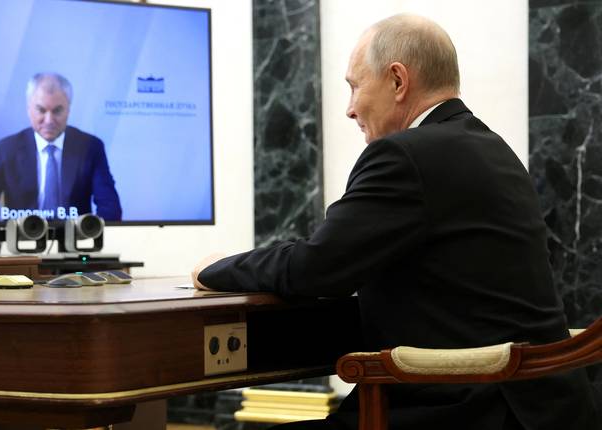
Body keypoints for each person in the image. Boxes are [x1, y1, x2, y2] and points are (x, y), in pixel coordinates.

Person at [192, 14, 599, 430]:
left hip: (467, 409)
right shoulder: (493, 149)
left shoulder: (404, 156)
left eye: (355, 86)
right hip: (544, 409)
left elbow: (315, 267)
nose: (349, 109)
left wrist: (214, 268)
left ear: (398, 81)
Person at [0, 73, 122, 223]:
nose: (49, 120)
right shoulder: (6, 150)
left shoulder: (90, 147)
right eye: (41, 110)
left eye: (57, 111)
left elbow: (109, 206)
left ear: (69, 109)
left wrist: (96, 238)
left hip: (75, 245)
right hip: (21, 245)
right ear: (29, 109)